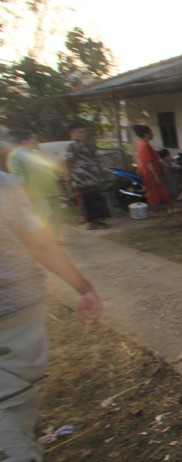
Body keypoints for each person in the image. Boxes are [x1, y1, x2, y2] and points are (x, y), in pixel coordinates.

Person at [0, 172, 103, 462]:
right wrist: (84, 288)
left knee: (14, 401)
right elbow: (41, 244)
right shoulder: (3, 184)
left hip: (12, 312)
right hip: (13, 314)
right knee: (10, 406)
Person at [6, 129, 65, 238]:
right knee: (45, 216)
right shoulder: (16, 156)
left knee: (56, 216)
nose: (36, 141)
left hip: (50, 188)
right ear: (25, 140)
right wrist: (25, 195)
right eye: (33, 139)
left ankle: (55, 237)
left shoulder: (38, 153)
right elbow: (18, 177)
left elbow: (49, 169)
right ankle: (47, 239)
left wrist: (57, 184)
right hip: (36, 192)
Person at [65, 121, 111, 230]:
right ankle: (92, 222)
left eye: (84, 132)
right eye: (79, 132)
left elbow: (95, 160)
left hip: (94, 178)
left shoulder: (88, 145)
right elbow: (68, 161)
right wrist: (68, 175)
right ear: (73, 133)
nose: (82, 134)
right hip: (82, 179)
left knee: (97, 199)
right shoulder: (72, 147)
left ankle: (99, 219)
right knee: (88, 201)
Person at [133, 125, 178, 214]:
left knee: (156, 191)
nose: (152, 135)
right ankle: (166, 209)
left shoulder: (143, 144)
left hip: (152, 172)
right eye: (151, 133)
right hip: (150, 174)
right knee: (159, 191)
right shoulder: (144, 145)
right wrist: (155, 175)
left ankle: (161, 209)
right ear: (146, 134)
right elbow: (148, 162)